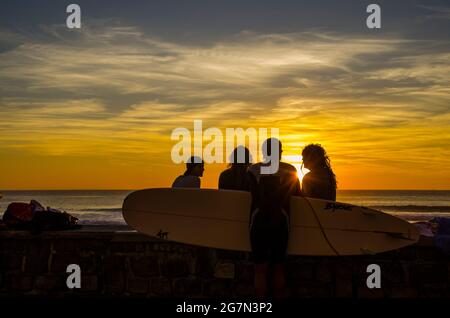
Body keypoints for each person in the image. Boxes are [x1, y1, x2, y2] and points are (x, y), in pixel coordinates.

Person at [247, 138, 301, 297]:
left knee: (260, 270)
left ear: (264, 152)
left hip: (258, 221)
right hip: (281, 221)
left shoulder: (253, 170)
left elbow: (248, 193)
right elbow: (297, 194)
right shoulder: (290, 170)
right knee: (279, 267)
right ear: (280, 152)